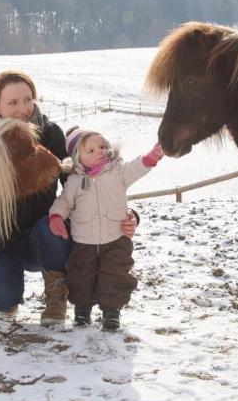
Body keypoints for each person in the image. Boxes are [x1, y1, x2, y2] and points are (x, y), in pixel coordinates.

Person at [0, 71, 138, 325]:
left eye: (28, 99)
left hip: (45, 233)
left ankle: (57, 296)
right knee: (0, 301)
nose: (23, 109)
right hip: (2, 234)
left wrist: (127, 216)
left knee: (53, 229)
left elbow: (86, 182)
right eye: (13, 103)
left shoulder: (50, 134)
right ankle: (6, 288)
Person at [48, 128, 163, 331]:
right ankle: (82, 309)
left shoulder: (117, 171)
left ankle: (112, 312)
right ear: (77, 159)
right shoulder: (74, 181)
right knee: (81, 276)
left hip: (116, 238)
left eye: (101, 146)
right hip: (84, 241)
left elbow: (136, 167)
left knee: (115, 274)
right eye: (90, 150)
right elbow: (64, 202)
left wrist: (151, 157)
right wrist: (56, 216)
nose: (99, 151)